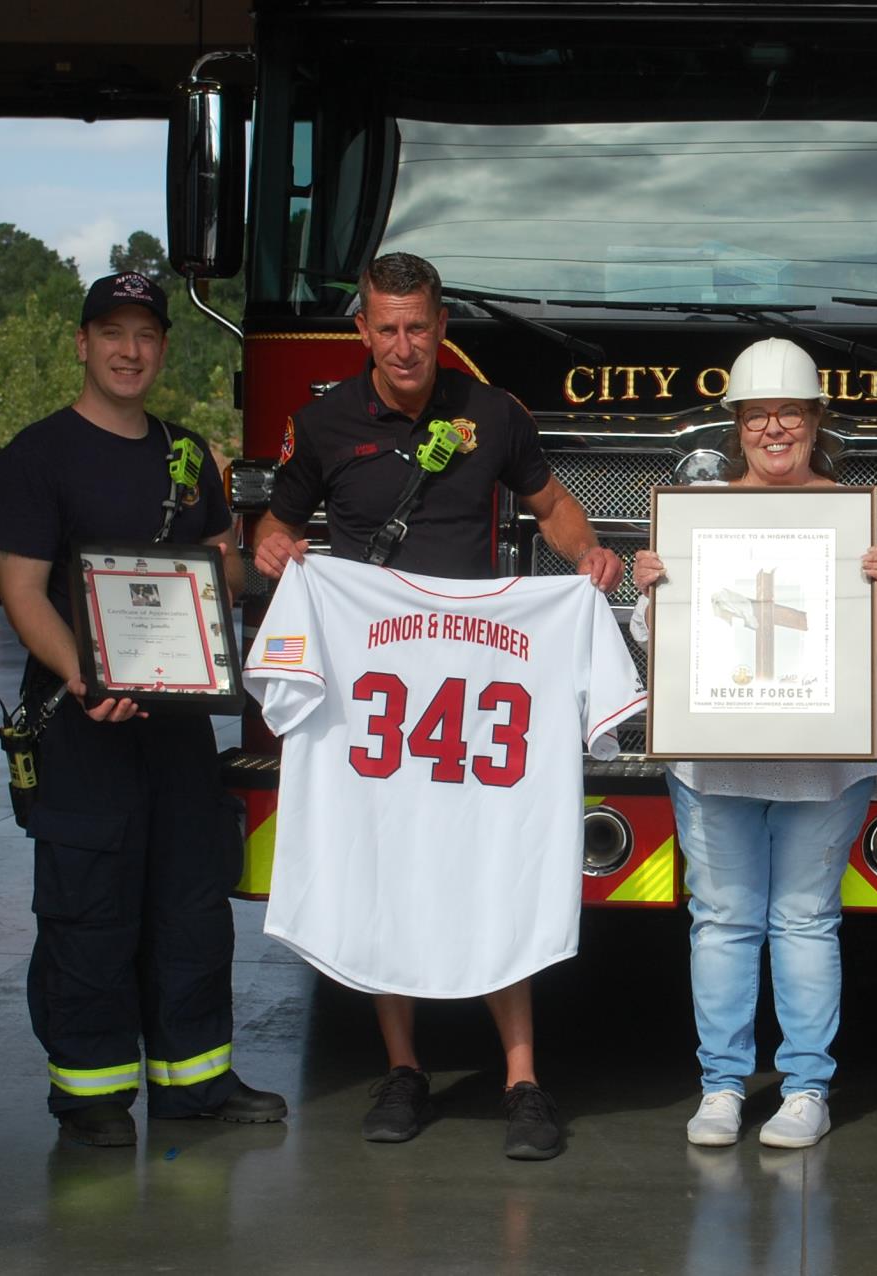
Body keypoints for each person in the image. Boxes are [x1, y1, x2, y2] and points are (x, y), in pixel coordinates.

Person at [251, 251, 622, 1161]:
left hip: (480, 676)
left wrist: (588, 561)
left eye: (420, 327)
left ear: (442, 325)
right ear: (363, 330)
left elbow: (552, 504)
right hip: (375, 689)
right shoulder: (323, 421)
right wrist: (270, 548)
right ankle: (404, 1069)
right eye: (388, 328)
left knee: (493, 862)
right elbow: (275, 520)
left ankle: (524, 1079)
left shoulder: (491, 413)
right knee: (385, 864)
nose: (406, 345)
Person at [0, 272, 287, 1147]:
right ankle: (90, 1097)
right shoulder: (36, 456)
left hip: (179, 727)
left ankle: (196, 1083)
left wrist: (220, 556)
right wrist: (85, 675)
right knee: (89, 910)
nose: (129, 351)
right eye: (111, 333)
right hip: (83, 722)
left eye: (146, 336)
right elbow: (23, 592)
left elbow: (226, 576)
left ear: (164, 347)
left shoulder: (188, 454)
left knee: (192, 905)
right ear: (81, 343)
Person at [630, 337, 877, 1149]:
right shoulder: (700, 517)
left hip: (825, 763)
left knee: (802, 919)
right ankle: (720, 1087)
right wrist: (653, 586)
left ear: (816, 419)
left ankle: (805, 1089)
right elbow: (660, 635)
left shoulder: (859, 517)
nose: (776, 428)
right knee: (721, 919)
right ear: (738, 426)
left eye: (790, 412)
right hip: (713, 755)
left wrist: (876, 592)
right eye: (759, 415)